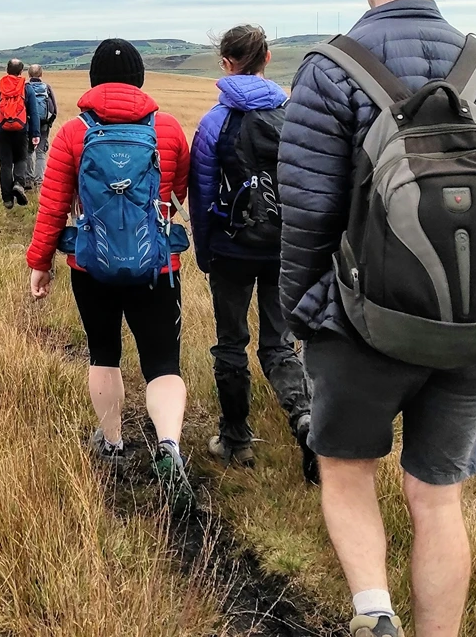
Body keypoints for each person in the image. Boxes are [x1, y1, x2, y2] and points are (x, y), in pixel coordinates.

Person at [279, 0, 476, 637]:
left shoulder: (328, 70)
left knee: (346, 470)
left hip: (361, 319)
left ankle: (374, 614)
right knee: (436, 497)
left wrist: (305, 313)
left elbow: (305, 210)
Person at [26, 39, 193, 511]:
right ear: (140, 78)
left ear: (93, 79)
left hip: (90, 266)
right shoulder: (167, 127)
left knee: (104, 353)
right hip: (158, 267)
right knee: (163, 363)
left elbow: (53, 206)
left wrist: (40, 264)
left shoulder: (74, 133)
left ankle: (113, 443)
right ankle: (169, 448)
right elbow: (178, 191)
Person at [187, 25, 315, 483]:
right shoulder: (295, 117)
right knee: (279, 343)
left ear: (226, 63)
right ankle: (304, 419)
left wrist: (205, 251)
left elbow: (200, 196)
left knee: (230, 342)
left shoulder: (212, 123)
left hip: (229, 248)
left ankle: (236, 439)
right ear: (268, 59)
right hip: (285, 249)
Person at [0, 58, 43, 208]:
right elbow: (34, 113)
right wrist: (36, 134)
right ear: (20, 72)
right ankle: (18, 184)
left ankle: (7, 199)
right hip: (21, 129)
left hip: (0, 129)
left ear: (7, 70)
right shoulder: (27, 88)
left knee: (5, 164)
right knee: (21, 159)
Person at [25, 64, 58, 186]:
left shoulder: (25, 88)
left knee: (28, 151)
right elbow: (54, 109)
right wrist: (49, 123)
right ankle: (39, 182)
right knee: (40, 153)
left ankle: (28, 179)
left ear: (28, 75)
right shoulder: (46, 88)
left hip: (28, 123)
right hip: (43, 123)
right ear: (41, 74)